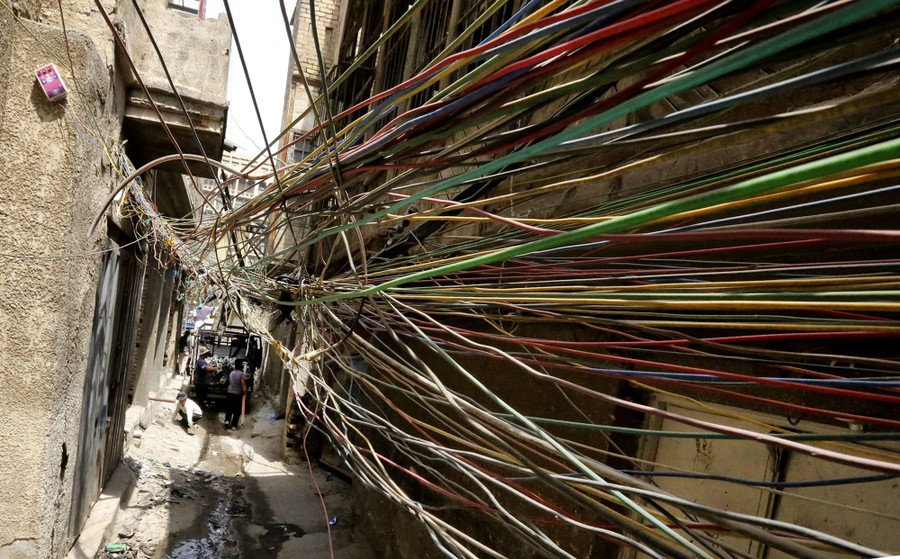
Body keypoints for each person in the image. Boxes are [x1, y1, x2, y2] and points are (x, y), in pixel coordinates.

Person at [224, 359, 247, 431]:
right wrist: (245, 392)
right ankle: (234, 425)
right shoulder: (242, 374)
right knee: (237, 410)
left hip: (230, 393)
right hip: (237, 394)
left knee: (229, 408)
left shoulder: (231, 373)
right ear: (241, 365)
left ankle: (227, 421)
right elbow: (243, 384)